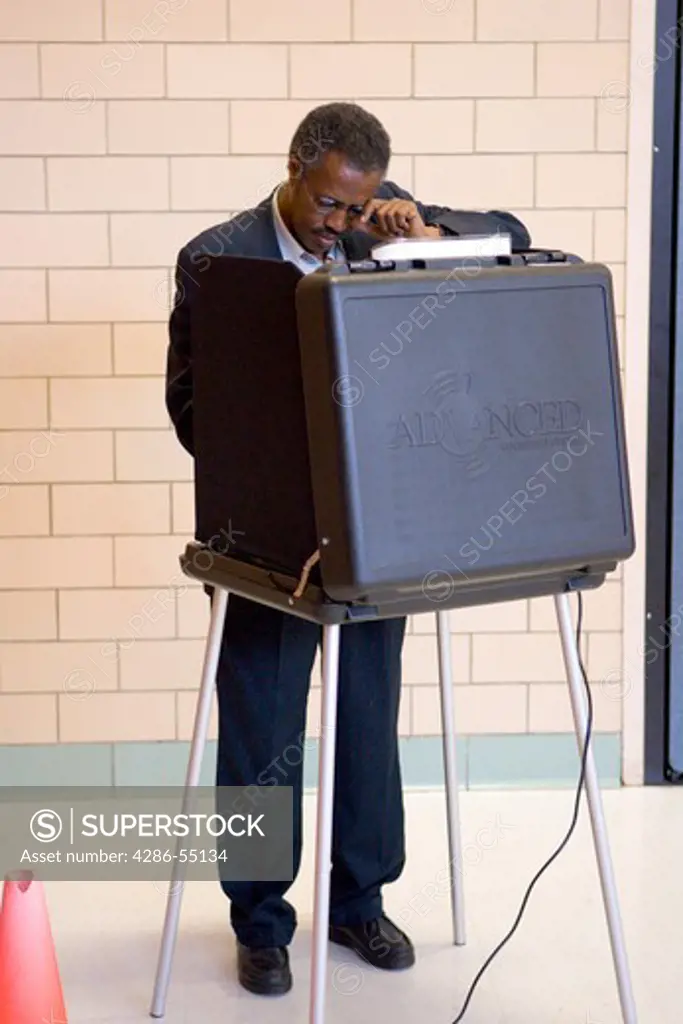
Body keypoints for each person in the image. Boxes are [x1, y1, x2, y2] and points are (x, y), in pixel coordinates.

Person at [166, 101, 530, 997]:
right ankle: (259, 920)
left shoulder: (383, 221)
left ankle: (357, 900)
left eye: (354, 207)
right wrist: (268, 463)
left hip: (375, 526)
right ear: (294, 167)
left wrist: (426, 227)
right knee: (263, 724)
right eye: (328, 205)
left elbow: (513, 236)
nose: (339, 226)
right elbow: (188, 406)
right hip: (262, 531)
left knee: (367, 716)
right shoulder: (220, 258)